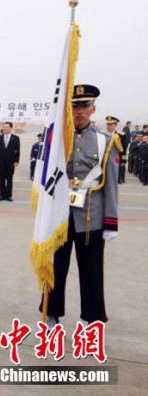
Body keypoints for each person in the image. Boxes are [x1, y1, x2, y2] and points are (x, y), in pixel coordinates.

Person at [41, 84, 119, 328]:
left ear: (93, 108)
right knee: (56, 267)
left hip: (90, 217)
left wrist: (111, 222)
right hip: (61, 216)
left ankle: (92, 319)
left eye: (85, 105)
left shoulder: (106, 141)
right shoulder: (58, 140)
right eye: (75, 106)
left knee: (91, 271)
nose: (80, 111)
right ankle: (51, 314)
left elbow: (111, 185)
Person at [0, 122, 20, 201]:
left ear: (10, 128)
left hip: (10, 163)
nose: (4, 128)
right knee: (1, 179)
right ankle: (2, 195)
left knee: (9, 179)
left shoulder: (15, 138)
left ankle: (9, 195)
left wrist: (16, 161)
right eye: (3, 127)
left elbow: (17, 150)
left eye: (6, 127)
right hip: (1, 162)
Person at [105, 116, 126, 184]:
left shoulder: (120, 136)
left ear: (115, 125)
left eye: (111, 124)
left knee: (115, 176)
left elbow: (124, 150)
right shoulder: (103, 135)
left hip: (116, 159)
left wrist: (123, 161)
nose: (108, 126)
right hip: (105, 159)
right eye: (107, 124)